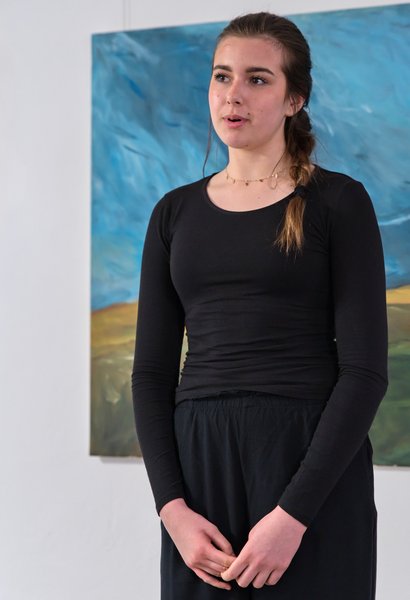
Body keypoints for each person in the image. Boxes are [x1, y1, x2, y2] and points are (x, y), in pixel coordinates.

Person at [131, 11, 388, 599]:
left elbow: (365, 372)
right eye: (222, 76)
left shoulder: (338, 202)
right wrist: (172, 509)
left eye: (257, 79)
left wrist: (293, 515)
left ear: (294, 99)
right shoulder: (173, 213)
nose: (234, 94)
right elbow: (150, 376)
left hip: (309, 468)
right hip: (199, 471)